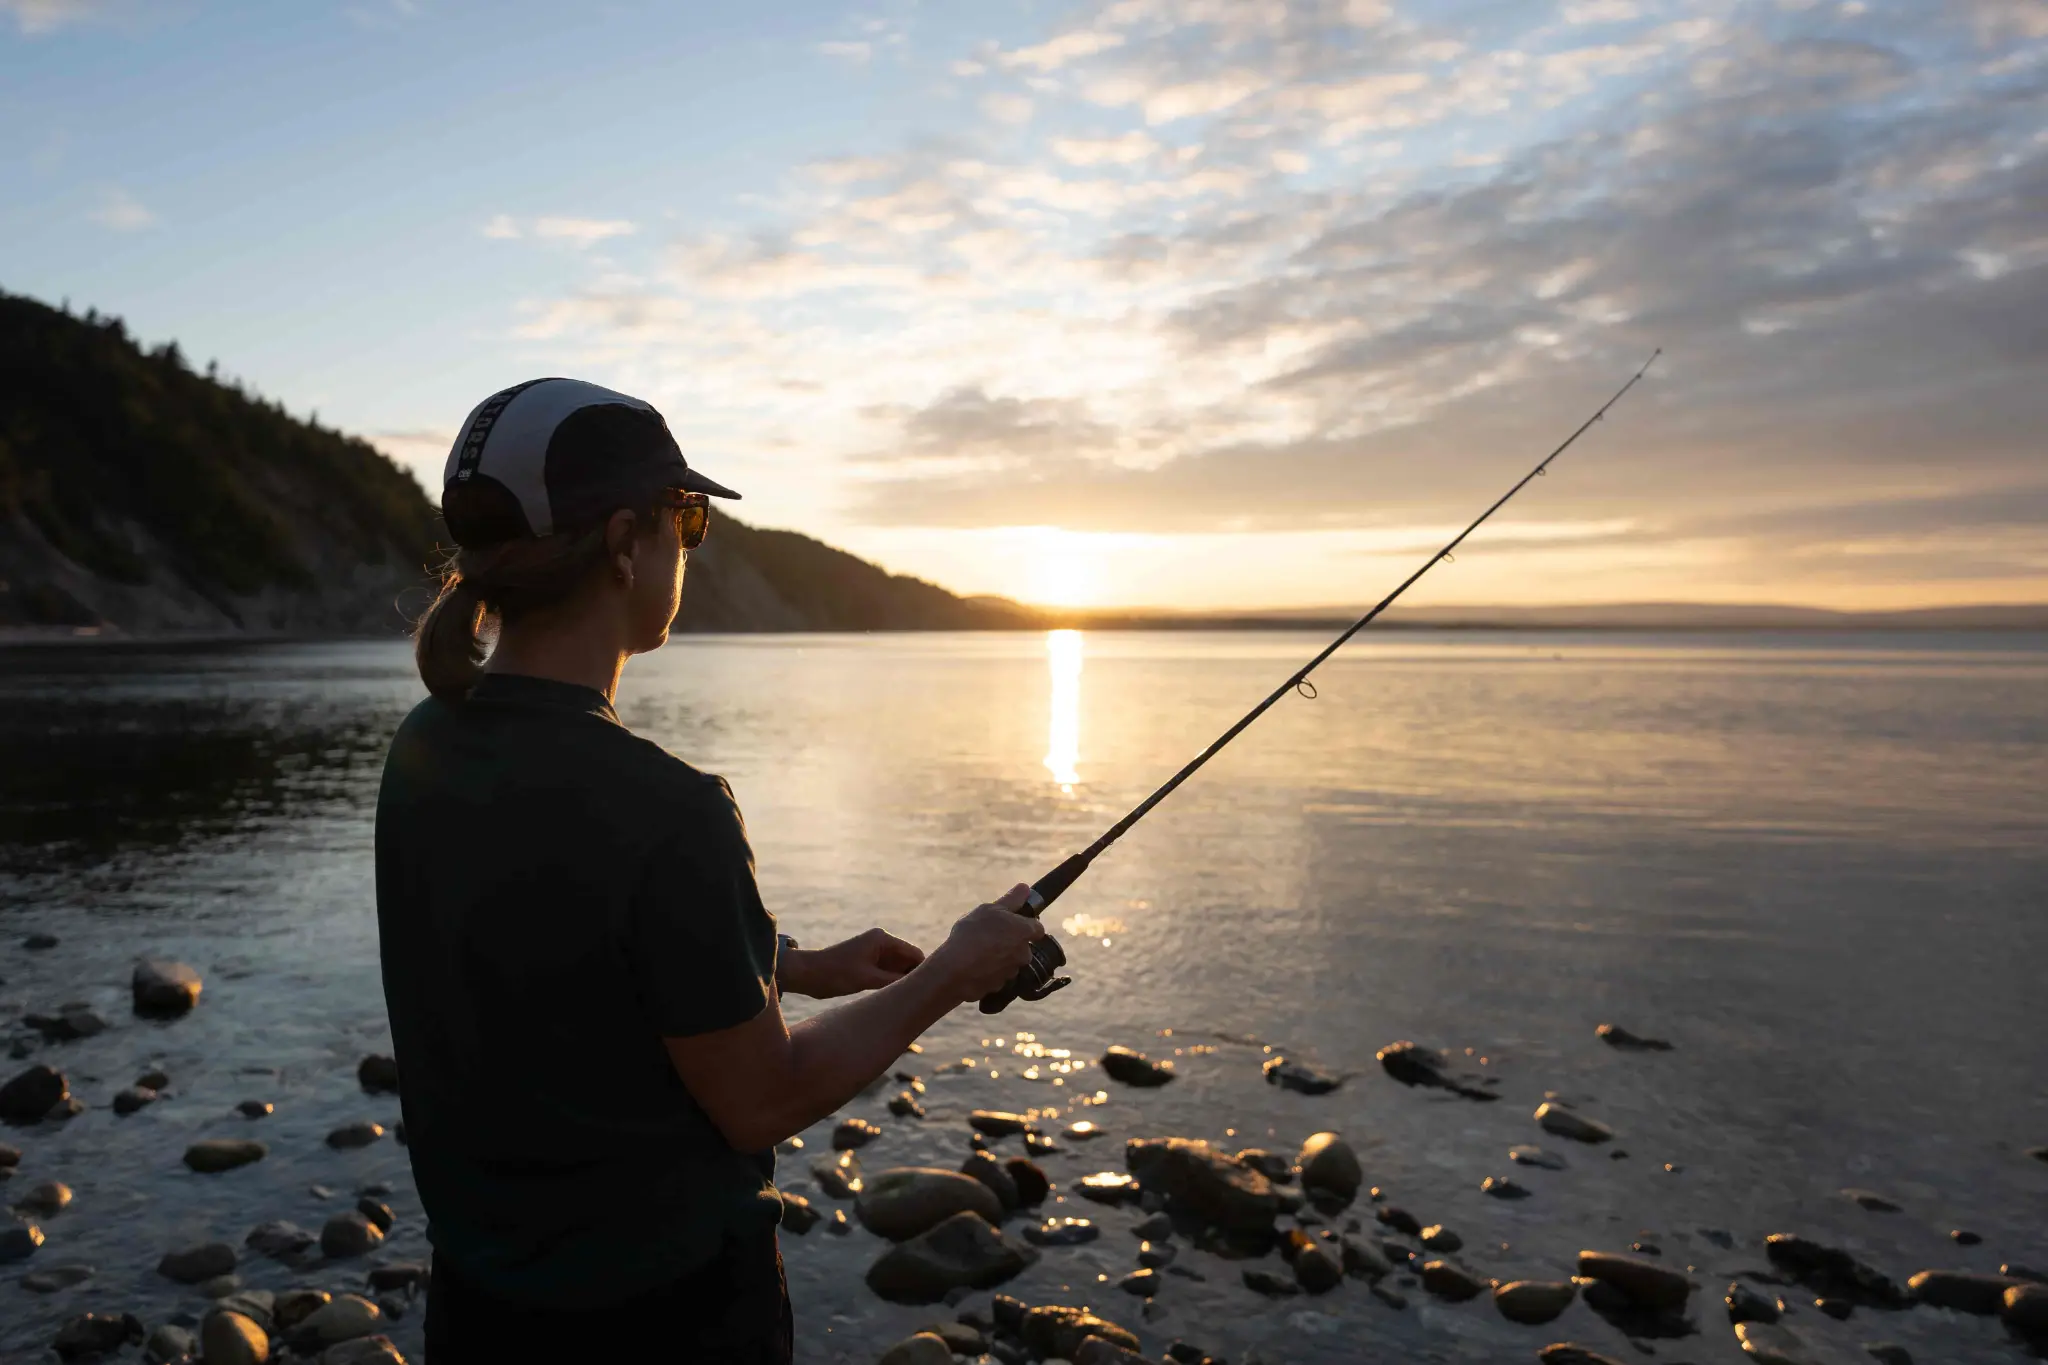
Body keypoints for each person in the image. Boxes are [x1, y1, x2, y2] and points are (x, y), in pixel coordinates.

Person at [374, 378, 1045, 1363]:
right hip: (667, 1319)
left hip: (478, 1312)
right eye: (685, 519)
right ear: (621, 543)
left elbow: (561, 937)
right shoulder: (670, 808)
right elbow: (762, 1099)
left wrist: (793, 963)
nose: (688, 546)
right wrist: (952, 971)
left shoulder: (424, 749)